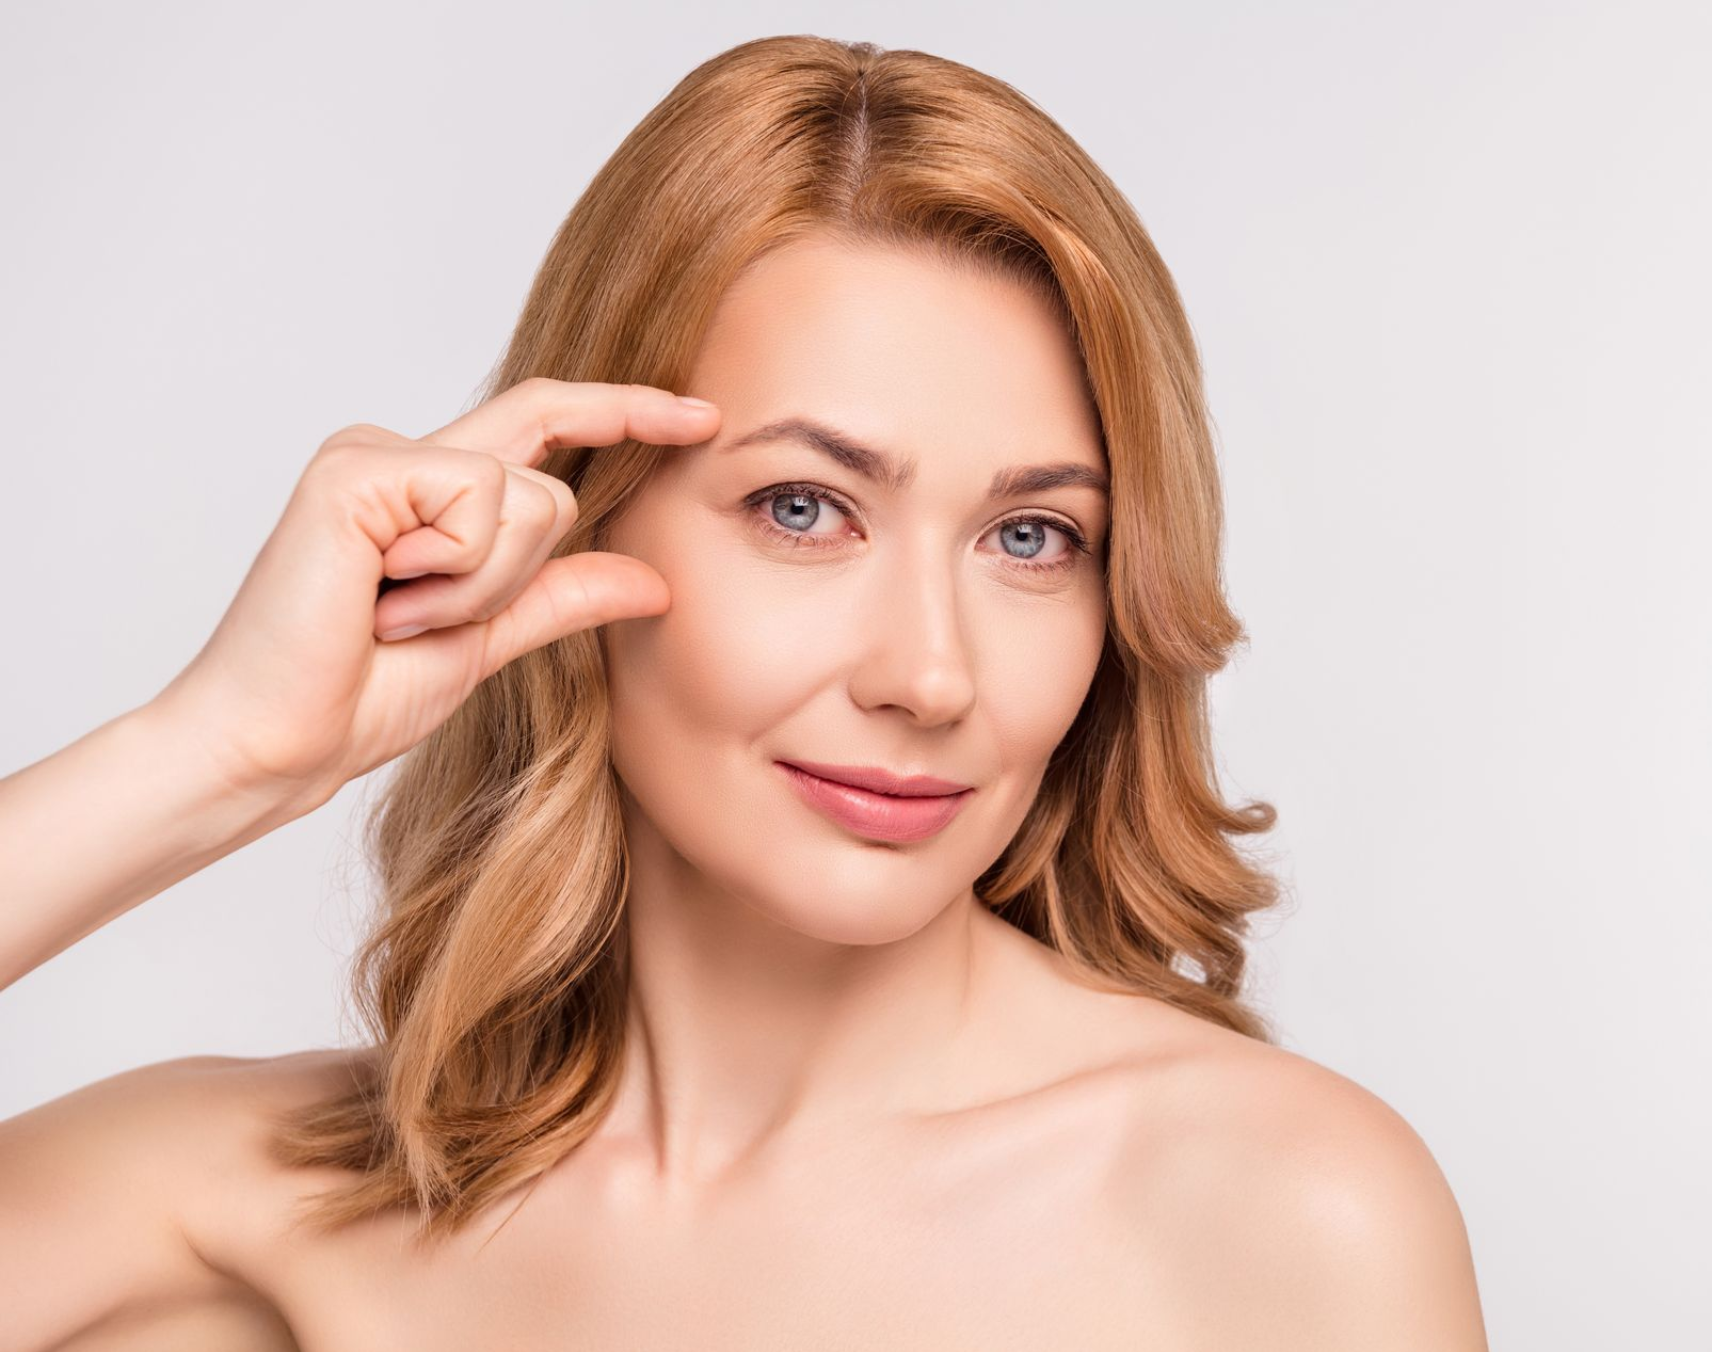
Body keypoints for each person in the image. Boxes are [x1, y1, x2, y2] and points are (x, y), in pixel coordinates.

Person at [0, 34, 1488, 1351]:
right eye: (802, 509)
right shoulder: (230, 1208)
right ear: (573, 520)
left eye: (1032, 538)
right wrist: (218, 755)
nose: (928, 674)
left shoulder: (1279, 1218)